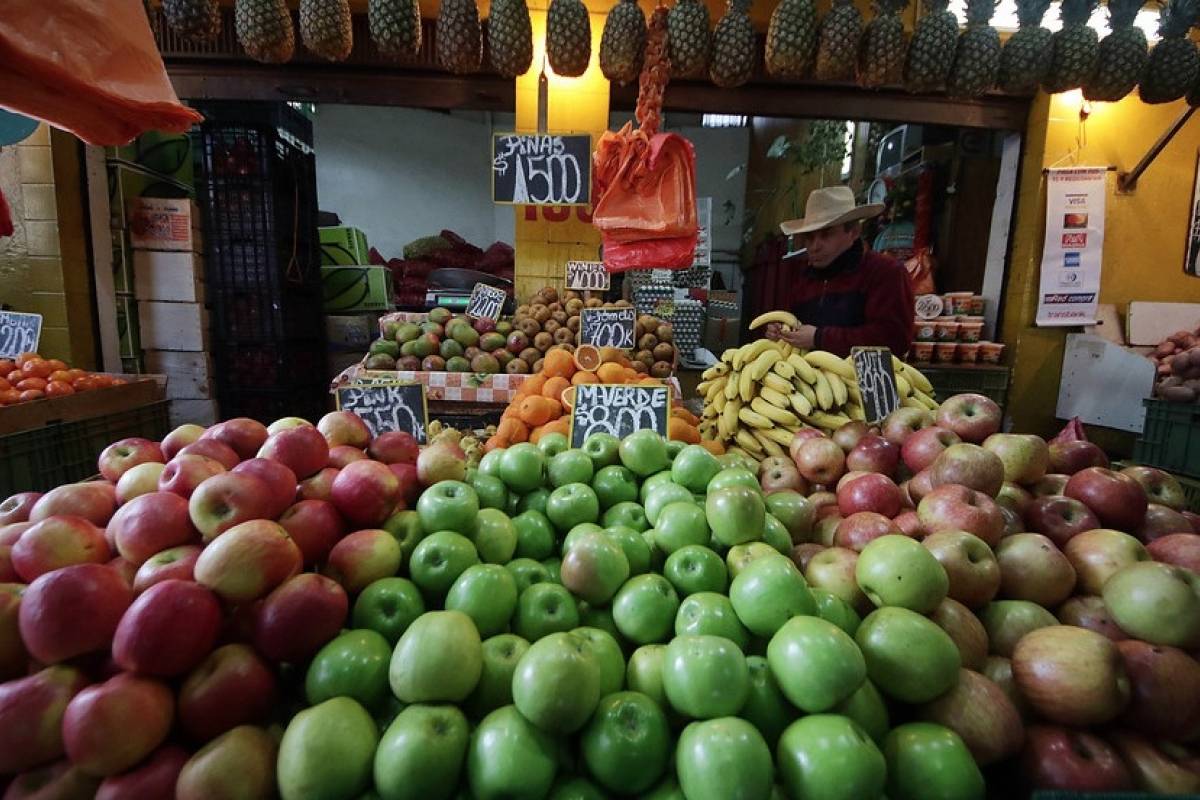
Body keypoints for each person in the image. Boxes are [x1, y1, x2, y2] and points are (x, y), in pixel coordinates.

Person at [764, 186, 914, 357]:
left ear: (854, 232)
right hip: (806, 380)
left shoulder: (886, 273)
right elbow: (795, 328)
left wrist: (820, 338)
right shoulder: (804, 282)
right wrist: (780, 332)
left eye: (826, 235)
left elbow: (895, 339)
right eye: (810, 237)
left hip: (862, 382)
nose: (815, 246)